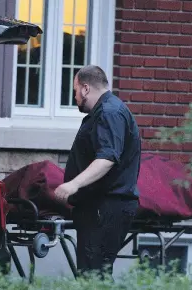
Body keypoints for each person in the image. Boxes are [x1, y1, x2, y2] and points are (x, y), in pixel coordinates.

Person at [54, 65, 141, 279]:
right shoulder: (107, 111)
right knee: (92, 275)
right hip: (101, 208)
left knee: (93, 277)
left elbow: (107, 158)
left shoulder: (109, 113)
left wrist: (74, 184)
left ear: (85, 88)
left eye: (75, 91)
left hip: (106, 208)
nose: (74, 97)